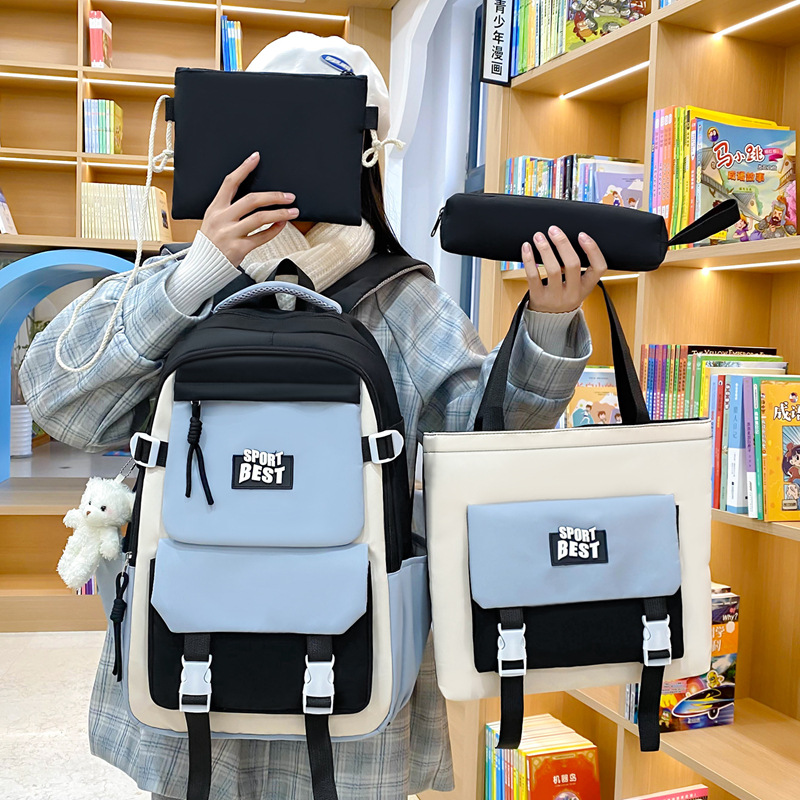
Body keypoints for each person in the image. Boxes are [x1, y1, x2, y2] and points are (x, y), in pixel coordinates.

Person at [19, 32, 605, 800]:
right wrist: (199, 271)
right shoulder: (184, 281)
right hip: (197, 641)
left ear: (364, 156)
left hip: (340, 647)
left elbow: (484, 447)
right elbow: (58, 400)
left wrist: (549, 323)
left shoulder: (401, 298)